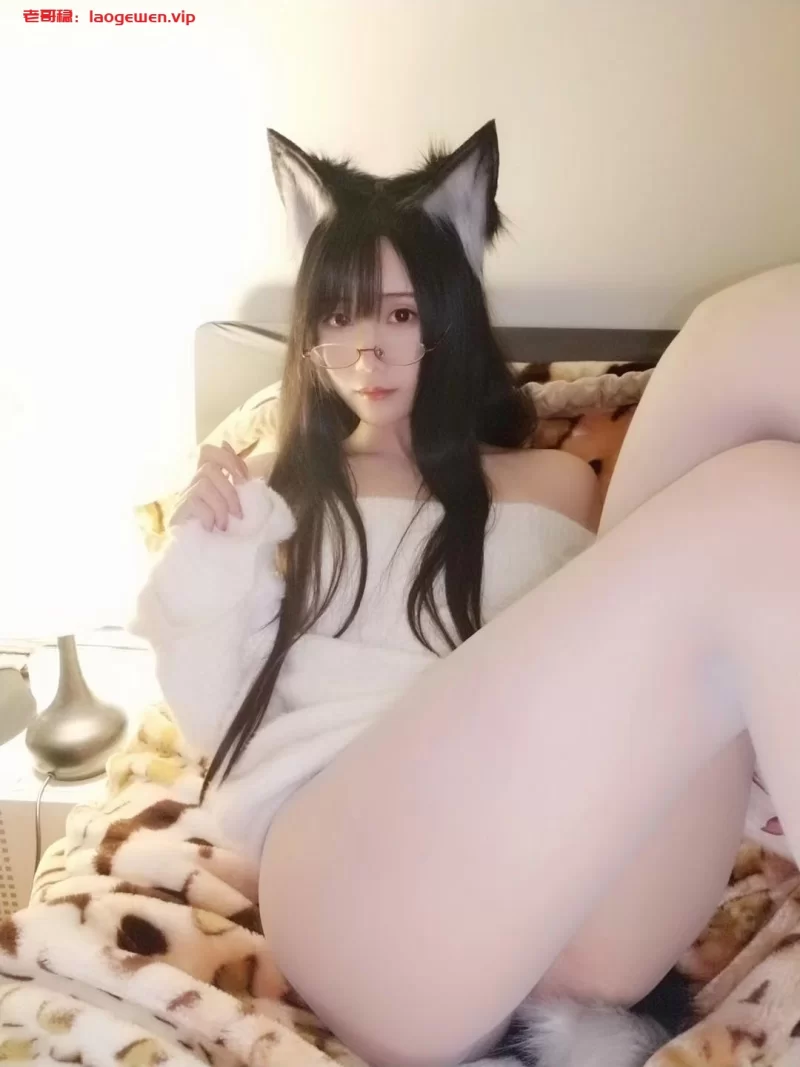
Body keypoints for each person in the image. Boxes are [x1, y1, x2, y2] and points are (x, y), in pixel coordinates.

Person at [130, 120, 800, 1067]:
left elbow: (623, 682)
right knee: (761, 500)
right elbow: (208, 713)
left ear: (447, 318)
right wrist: (212, 549)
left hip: (578, 913)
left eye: (401, 315)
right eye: (340, 317)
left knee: (741, 338)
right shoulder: (278, 486)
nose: (369, 349)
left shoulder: (557, 484)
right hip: (360, 888)